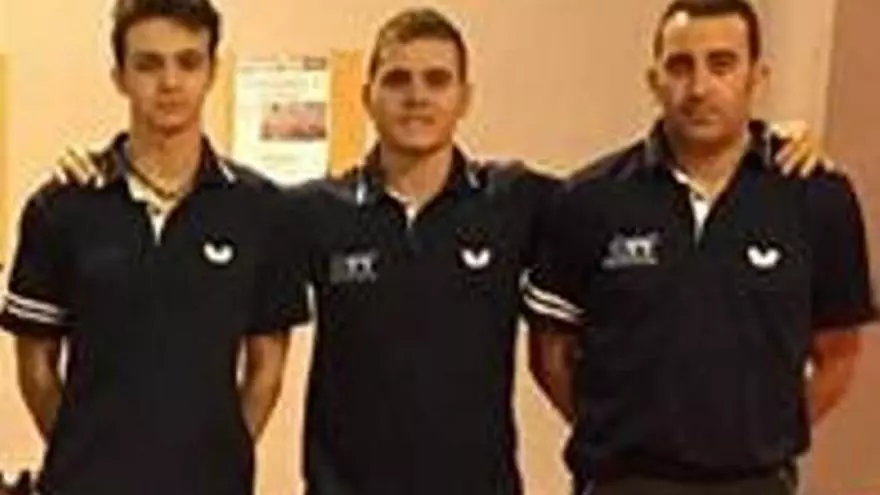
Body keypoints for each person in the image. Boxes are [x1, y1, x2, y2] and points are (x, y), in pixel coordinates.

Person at [51, 7, 830, 495]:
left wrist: (768, 142)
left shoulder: (523, 201)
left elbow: (635, 188)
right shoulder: (304, 214)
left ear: (465, 96)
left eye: (436, 80)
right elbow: (198, 217)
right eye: (397, 80)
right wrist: (93, 168)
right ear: (369, 96)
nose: (417, 95)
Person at [524, 1, 878, 494]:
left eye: (722, 64)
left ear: (757, 77)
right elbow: (550, 356)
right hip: (622, 482)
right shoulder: (589, 200)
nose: (699, 87)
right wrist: (618, 435)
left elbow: (839, 354)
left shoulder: (818, 198)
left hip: (756, 483)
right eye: (680, 66)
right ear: (654, 81)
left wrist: (764, 435)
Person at [0, 1, 308, 494]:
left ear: (212, 72)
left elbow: (266, 367)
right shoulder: (60, 208)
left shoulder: (261, 211)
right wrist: (84, 455)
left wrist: (221, 454)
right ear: (119, 76)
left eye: (188, 62)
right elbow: (35, 366)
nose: (169, 82)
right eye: (148, 64)